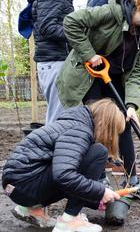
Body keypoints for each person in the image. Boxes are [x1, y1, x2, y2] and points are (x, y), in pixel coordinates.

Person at [56, 0, 140, 196]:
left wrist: (131, 105)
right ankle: (100, 182)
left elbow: (136, 71)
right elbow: (71, 22)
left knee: (126, 123)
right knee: (96, 125)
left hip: (115, 76)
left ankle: (133, 180)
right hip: (88, 75)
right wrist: (89, 54)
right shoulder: (112, 13)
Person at [2, 99, 124, 232]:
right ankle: (70, 220)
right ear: (107, 125)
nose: (114, 138)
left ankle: (32, 209)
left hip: (17, 187)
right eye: (115, 132)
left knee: (74, 167)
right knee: (99, 152)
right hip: (26, 186)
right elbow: (64, 175)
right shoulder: (80, 131)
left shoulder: (72, 123)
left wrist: (96, 198)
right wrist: (101, 191)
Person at [25, 0, 89, 124]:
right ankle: (53, 146)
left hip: (56, 60)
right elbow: (47, 27)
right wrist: (77, 35)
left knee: (62, 114)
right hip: (54, 61)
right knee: (58, 118)